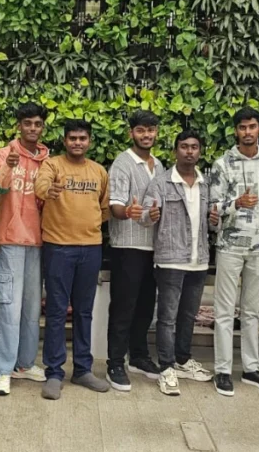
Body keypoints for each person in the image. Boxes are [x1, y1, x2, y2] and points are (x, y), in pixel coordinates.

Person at [136, 129, 218, 396]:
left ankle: (182, 360)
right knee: (168, 318)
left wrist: (216, 221)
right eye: (184, 146)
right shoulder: (161, 183)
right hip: (171, 259)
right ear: (176, 151)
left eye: (194, 146)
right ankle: (167, 366)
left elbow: (212, 222)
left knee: (188, 316)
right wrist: (151, 214)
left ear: (200, 151)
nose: (190, 151)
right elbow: (144, 218)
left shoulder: (206, 185)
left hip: (199, 259)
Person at [207, 107, 259, 396]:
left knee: (252, 311)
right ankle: (223, 370)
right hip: (229, 246)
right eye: (242, 127)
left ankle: (251, 368)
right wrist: (236, 203)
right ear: (236, 131)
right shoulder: (222, 164)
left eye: (252, 126)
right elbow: (212, 209)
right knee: (224, 311)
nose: (247, 132)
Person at [34, 118, 111, 400]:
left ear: (89, 141)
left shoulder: (99, 171)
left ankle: (82, 370)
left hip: (90, 248)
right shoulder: (53, 165)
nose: (77, 143)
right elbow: (41, 185)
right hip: (58, 248)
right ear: (65, 141)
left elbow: (104, 208)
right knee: (55, 311)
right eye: (72, 138)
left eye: (82, 138)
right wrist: (49, 191)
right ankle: (53, 372)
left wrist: (86, 229)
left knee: (84, 311)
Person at [0, 102, 50, 396]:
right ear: (19, 125)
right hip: (10, 239)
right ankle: (3, 369)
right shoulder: (4, 153)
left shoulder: (48, 159)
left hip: (38, 241)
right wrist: (10, 167)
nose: (33, 129)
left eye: (37, 124)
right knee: (6, 307)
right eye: (27, 123)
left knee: (29, 308)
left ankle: (24, 365)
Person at [105, 110, 164, 392]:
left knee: (144, 306)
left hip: (154, 247)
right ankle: (115, 362)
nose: (146, 135)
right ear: (132, 133)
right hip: (128, 246)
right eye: (141, 130)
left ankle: (138, 357)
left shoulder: (160, 165)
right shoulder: (122, 163)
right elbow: (114, 205)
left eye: (151, 130)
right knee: (124, 307)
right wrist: (126, 211)